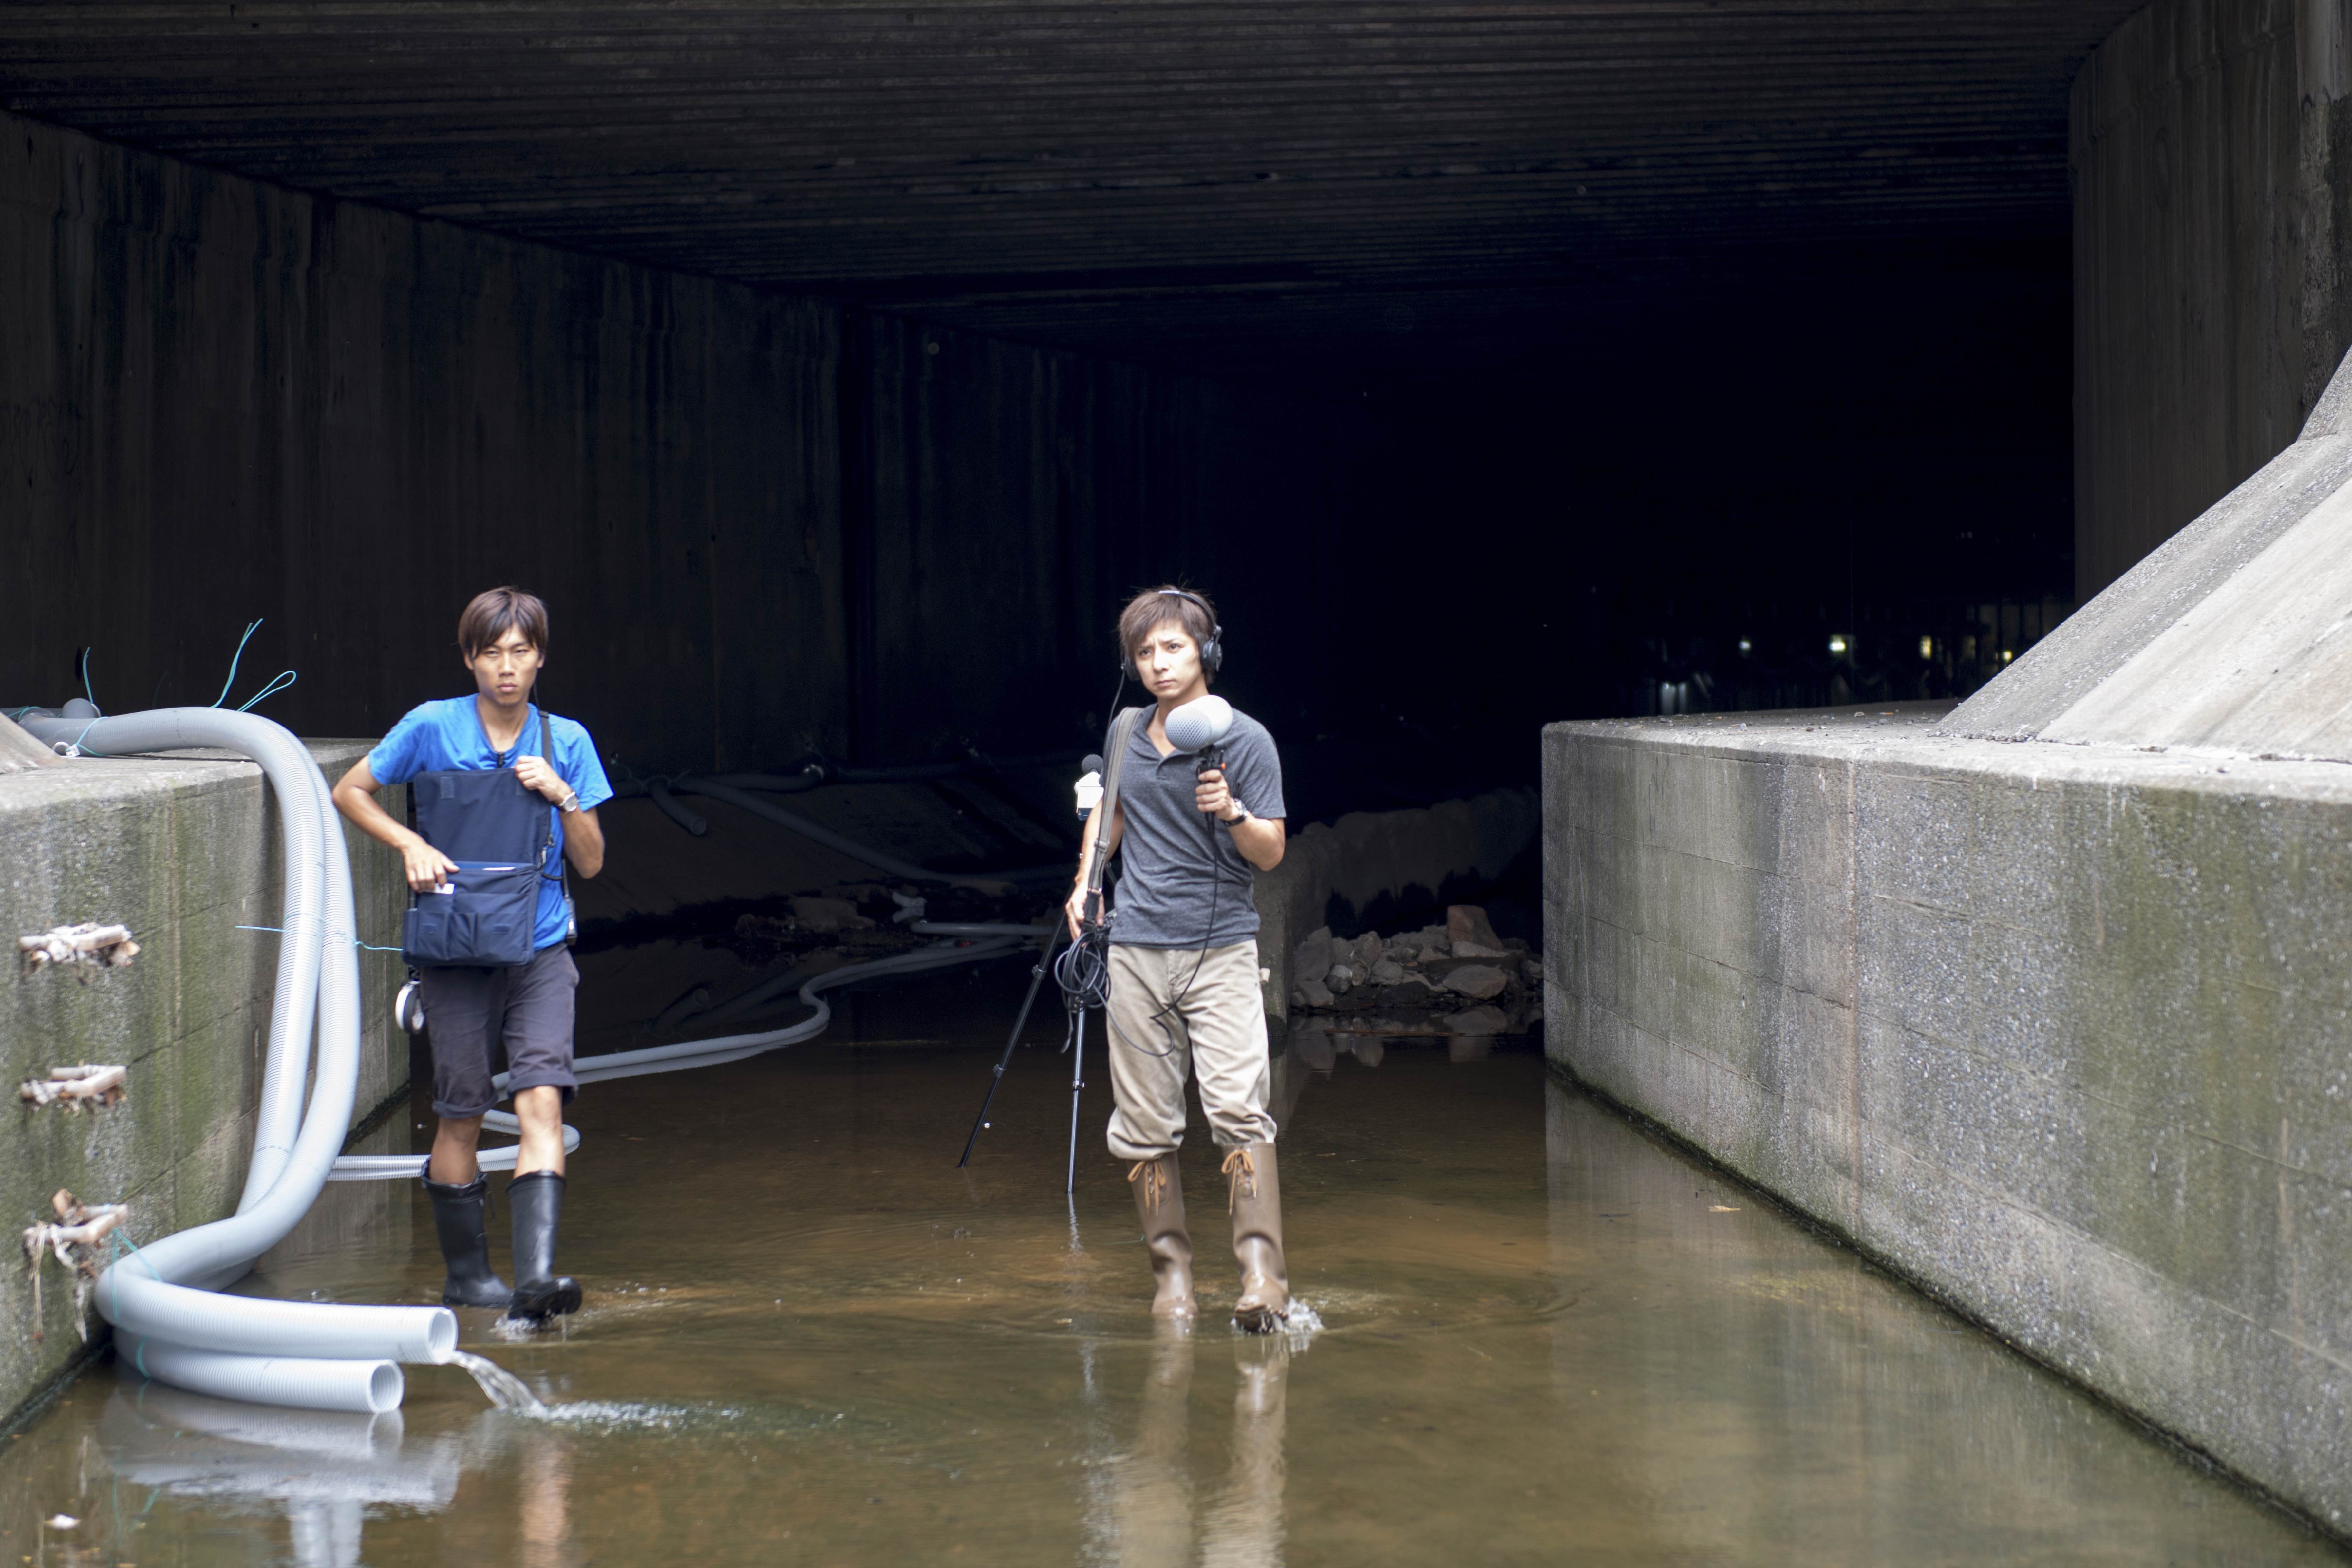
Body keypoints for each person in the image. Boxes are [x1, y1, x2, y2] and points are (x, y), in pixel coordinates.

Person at [332, 587, 611, 1323]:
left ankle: (538, 1281)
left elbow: (592, 864)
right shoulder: (431, 725)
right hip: (455, 950)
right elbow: (349, 791)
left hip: (542, 946)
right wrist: (410, 842)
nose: (507, 668)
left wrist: (564, 797)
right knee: (461, 1113)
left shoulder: (567, 742)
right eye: (492, 654)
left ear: (540, 657)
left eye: (521, 652)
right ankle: (468, 1279)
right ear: (470, 659)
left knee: (542, 1097)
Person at [1065, 587, 1291, 1331]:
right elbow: (1111, 812)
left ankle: (1261, 1279)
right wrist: (1085, 884)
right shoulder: (1127, 730)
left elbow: (1270, 851)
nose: (1158, 664)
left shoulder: (1246, 740)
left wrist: (1230, 811)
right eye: (1144, 652)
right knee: (1143, 1123)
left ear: (1206, 651)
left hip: (1220, 948)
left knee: (1236, 1108)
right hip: (1134, 948)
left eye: (1172, 647)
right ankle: (1172, 1280)